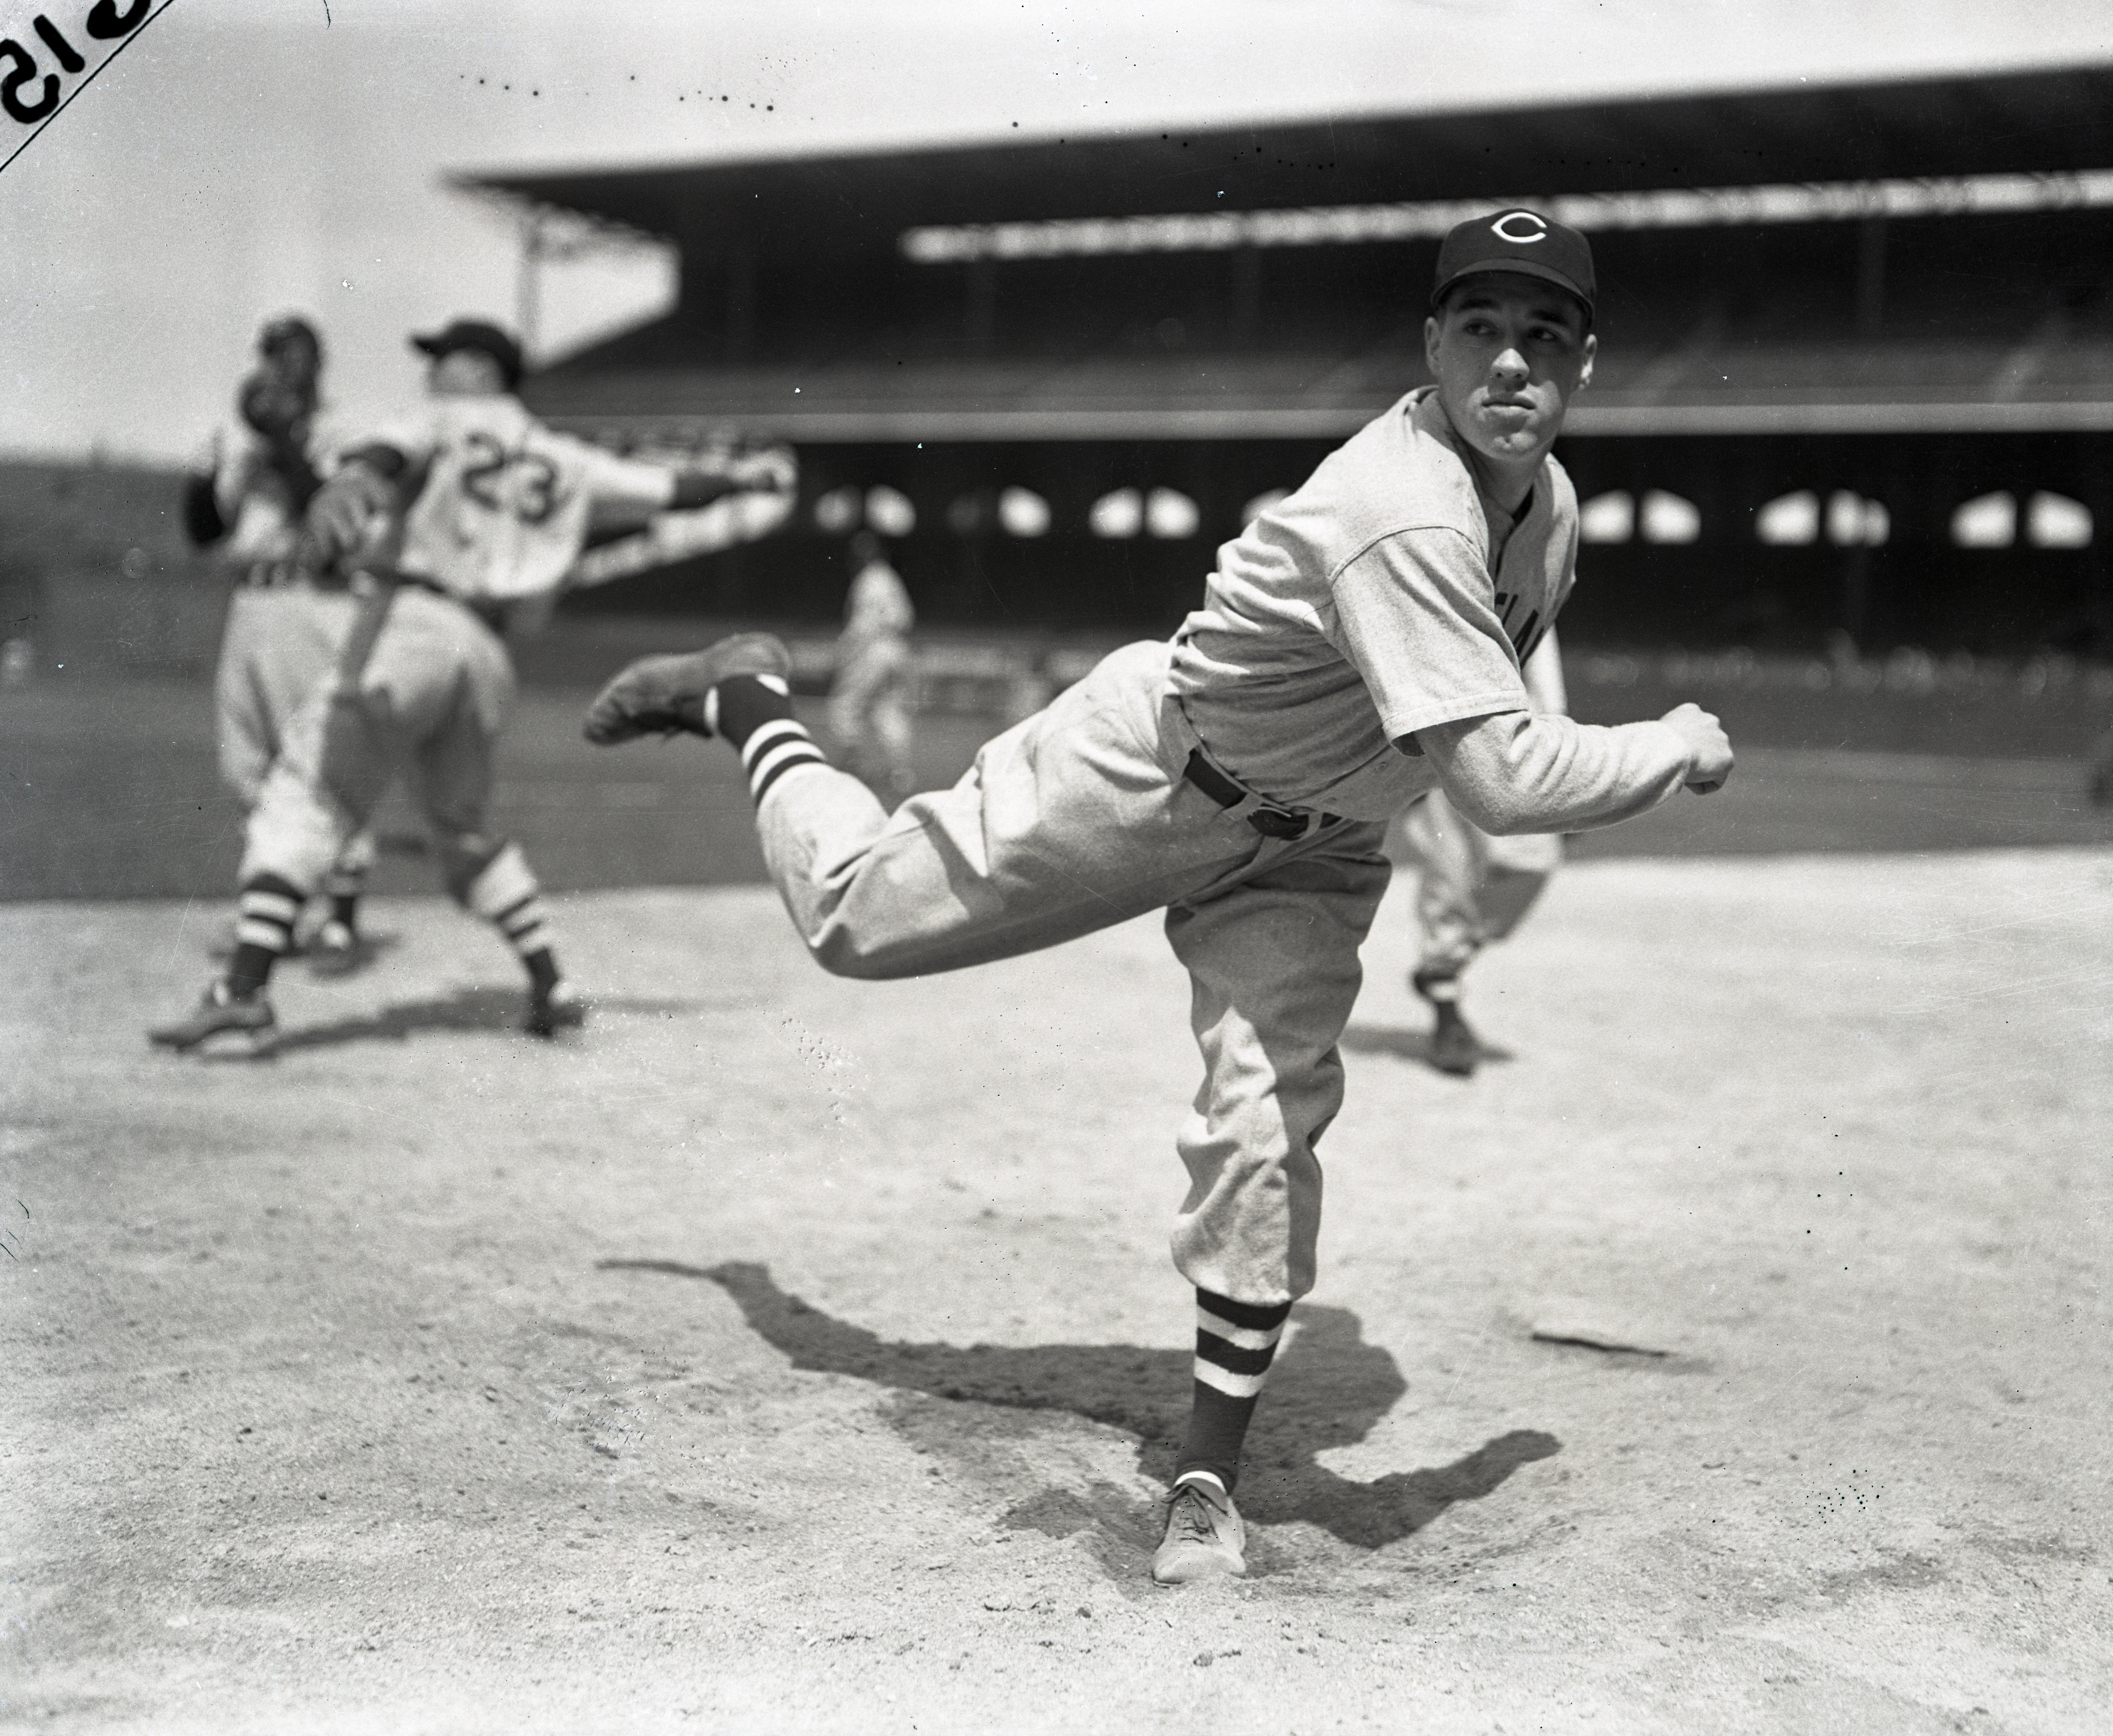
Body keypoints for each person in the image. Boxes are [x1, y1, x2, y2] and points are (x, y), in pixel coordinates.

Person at [582, 211, 1733, 1584]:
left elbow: (1475, 731)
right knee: (851, 917)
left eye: (1542, 335)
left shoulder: (1549, 517)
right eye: (1477, 327)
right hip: (1155, 769)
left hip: (1319, 850)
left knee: (1263, 1122)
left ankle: (1202, 1475)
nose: (1507, 362)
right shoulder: (1400, 508)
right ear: (1428, 345)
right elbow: (1499, 778)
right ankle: (745, 696)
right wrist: (1665, 743)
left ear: (1581, 367)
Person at [150, 317, 795, 1055]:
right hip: (486, 652)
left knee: (306, 790)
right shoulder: (559, 454)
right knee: (464, 833)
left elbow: (388, 454)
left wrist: (358, 476)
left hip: (410, 624)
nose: (432, 372)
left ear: (481, 367)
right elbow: (674, 489)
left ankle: (241, 992)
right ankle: (550, 982)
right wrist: (745, 479)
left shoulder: (441, 418)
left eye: (444, 358)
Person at [181, 315, 377, 972]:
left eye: (288, 358)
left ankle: (343, 920)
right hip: (251, 603)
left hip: (314, 600)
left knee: (320, 756)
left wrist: (281, 444)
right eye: (269, 357)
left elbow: (334, 519)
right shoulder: (246, 436)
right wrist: (202, 480)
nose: (276, 369)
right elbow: (207, 531)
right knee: (244, 765)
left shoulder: (344, 434)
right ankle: (279, 911)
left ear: (316, 366)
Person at [1402, 624, 1566, 1074]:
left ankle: (1445, 958)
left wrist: (1558, 737)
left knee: (1532, 863)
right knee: (1451, 872)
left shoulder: (1533, 561)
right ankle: (1444, 997)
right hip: (1444, 721)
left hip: (1519, 729)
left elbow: (1542, 657)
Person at [827, 529, 917, 806]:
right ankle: (901, 773)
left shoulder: (869, 580)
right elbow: (907, 616)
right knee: (887, 710)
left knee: (843, 707)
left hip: (874, 650)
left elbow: (862, 625)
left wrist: (842, 652)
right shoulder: (890, 577)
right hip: (897, 648)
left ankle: (855, 767)